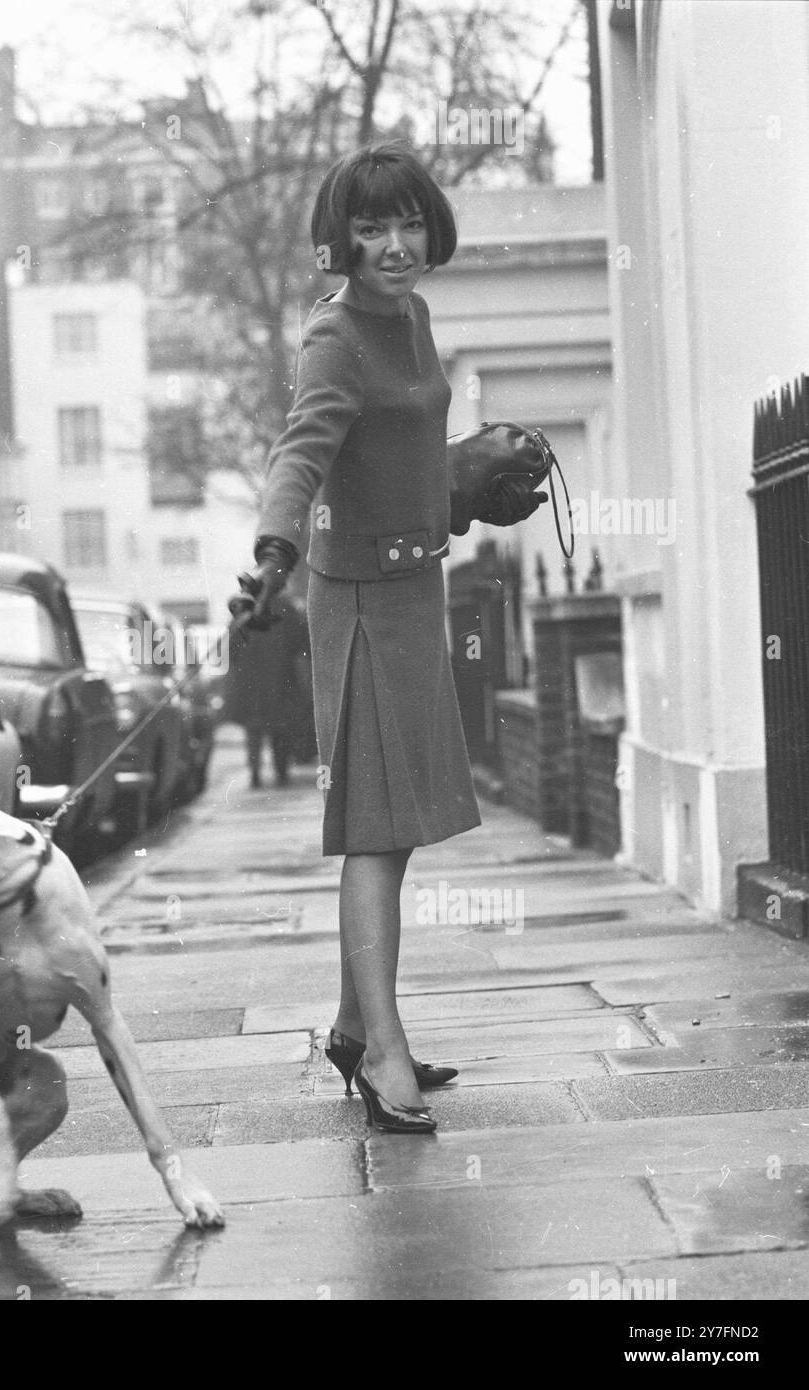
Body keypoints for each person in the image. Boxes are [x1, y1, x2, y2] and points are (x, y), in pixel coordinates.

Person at [228, 143, 543, 1134]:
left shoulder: (412, 317)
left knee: (395, 826)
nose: (395, 245)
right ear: (343, 238)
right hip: (357, 603)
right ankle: (385, 1054)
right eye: (371, 229)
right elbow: (304, 449)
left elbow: (393, 445)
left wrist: (459, 480)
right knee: (373, 830)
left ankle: (352, 1027)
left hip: (414, 591)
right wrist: (274, 549)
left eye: (408, 222)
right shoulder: (337, 333)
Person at [220, 590, 311, 789]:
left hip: (251, 682)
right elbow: (301, 642)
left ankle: (255, 773)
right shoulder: (286, 608)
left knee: (254, 731)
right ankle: (281, 772)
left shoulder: (244, 608)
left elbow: (231, 648)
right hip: (280, 678)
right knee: (280, 729)